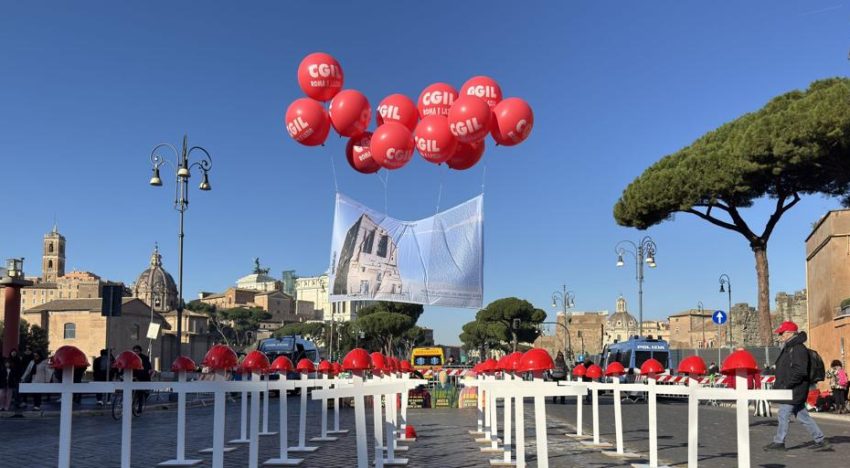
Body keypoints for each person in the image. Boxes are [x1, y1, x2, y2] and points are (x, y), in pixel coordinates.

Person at [764, 321, 829, 451]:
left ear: (789, 333)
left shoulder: (798, 348)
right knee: (803, 415)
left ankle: (779, 442)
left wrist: (786, 384)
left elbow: (800, 371)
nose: (780, 336)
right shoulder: (790, 347)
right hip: (793, 389)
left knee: (783, 413)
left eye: (781, 333)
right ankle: (821, 440)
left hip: (794, 389)